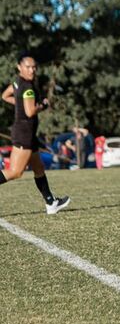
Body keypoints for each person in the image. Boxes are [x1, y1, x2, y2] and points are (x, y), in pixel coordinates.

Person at [0, 52, 70, 214]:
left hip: (27, 133)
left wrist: (19, 104)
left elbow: (5, 96)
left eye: (34, 67)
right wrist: (43, 105)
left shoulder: (17, 83)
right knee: (15, 172)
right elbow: (31, 111)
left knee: (39, 168)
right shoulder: (28, 87)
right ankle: (51, 202)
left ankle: (51, 203)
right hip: (24, 133)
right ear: (19, 67)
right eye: (28, 67)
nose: (32, 70)